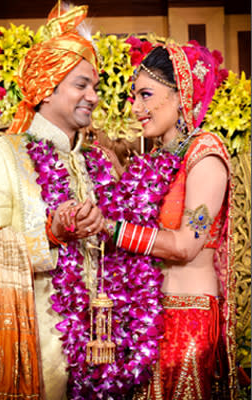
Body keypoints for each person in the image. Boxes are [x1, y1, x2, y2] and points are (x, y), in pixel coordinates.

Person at [0, 4, 112, 399]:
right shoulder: (0, 154)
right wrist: (50, 233)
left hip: (109, 357)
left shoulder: (99, 162)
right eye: (81, 85)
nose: (93, 97)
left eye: (94, 87)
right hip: (38, 361)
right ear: (47, 85)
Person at [98, 40, 237, 399]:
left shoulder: (205, 155)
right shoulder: (160, 159)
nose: (136, 109)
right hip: (149, 319)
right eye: (134, 98)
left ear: (181, 95)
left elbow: (185, 245)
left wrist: (108, 229)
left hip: (188, 317)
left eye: (146, 95)